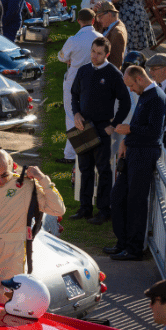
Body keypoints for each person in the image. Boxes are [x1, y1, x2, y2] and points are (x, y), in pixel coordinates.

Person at [0, 149, 66, 303]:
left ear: (12, 166)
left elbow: (58, 209)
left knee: (11, 300)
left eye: (4, 175)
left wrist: (42, 178)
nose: (0, 181)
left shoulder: (26, 185)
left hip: (11, 252)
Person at [107, 66, 166, 261]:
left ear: (140, 79)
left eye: (132, 85)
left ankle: (134, 249)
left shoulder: (156, 97)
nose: (131, 90)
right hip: (134, 151)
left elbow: (153, 131)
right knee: (117, 197)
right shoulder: (146, 94)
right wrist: (126, 140)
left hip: (144, 153)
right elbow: (140, 123)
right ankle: (122, 243)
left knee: (136, 202)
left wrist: (129, 130)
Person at [70, 37, 130, 224]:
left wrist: (114, 124)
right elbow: (74, 95)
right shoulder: (83, 70)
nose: (94, 56)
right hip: (84, 127)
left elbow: (125, 102)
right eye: (93, 51)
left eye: (99, 53)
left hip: (103, 128)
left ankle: (104, 210)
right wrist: (76, 114)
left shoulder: (113, 74)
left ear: (107, 55)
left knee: (103, 170)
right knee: (84, 168)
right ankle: (85, 208)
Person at [56, 8, 102, 164]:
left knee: (71, 115)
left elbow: (61, 57)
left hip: (74, 80)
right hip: (94, 81)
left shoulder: (73, 39)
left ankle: (70, 154)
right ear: (93, 20)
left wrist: (71, 59)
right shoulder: (100, 38)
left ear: (78, 21)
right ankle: (90, 151)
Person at [95, 1, 127, 69]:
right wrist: (94, 11)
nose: (99, 20)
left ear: (109, 15)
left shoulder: (117, 33)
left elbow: (116, 63)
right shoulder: (110, 24)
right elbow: (95, 28)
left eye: (100, 16)